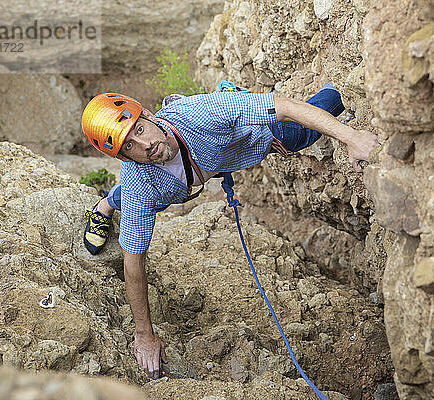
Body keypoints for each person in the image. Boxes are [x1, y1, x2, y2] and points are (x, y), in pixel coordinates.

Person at [79, 81, 378, 380]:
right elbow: (134, 259)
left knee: (296, 134)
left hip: (235, 142)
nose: (145, 146)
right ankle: (105, 206)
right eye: (129, 146)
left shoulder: (199, 115)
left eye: (139, 130)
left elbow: (284, 106)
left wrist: (352, 137)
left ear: (148, 115)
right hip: (180, 181)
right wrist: (143, 334)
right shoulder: (139, 181)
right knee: (142, 201)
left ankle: (340, 89)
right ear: (124, 158)